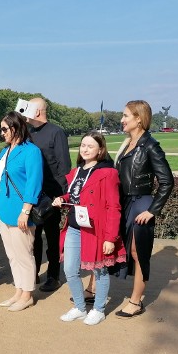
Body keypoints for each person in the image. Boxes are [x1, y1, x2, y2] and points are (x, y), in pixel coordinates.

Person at [53, 131, 126, 325]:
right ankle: (79, 307)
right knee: (70, 269)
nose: (85, 149)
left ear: (100, 149)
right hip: (75, 227)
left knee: (99, 269)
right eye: (83, 145)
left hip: (97, 229)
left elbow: (114, 207)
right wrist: (63, 199)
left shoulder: (108, 173)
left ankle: (99, 309)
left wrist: (111, 238)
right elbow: (75, 195)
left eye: (90, 146)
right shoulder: (77, 171)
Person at [114, 100, 174, 318]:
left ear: (139, 118)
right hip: (125, 203)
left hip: (141, 204)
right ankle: (94, 290)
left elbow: (167, 181)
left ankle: (136, 301)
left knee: (137, 252)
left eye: (126, 116)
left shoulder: (150, 145)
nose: (122, 120)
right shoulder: (127, 143)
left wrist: (152, 210)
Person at [0, 112, 43, 311]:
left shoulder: (31, 151)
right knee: (12, 254)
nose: (1, 133)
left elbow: (33, 183)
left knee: (24, 254)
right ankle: (19, 291)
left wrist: (25, 211)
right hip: (2, 209)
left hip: (20, 211)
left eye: (4, 129)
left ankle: (27, 294)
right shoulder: (5, 151)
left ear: (15, 128)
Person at [27, 97, 72, 292]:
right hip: (32, 192)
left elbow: (64, 166)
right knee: (32, 235)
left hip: (52, 194)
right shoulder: (27, 133)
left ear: (37, 111)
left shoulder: (56, 132)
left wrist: (62, 196)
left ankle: (54, 275)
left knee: (52, 236)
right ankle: (33, 271)